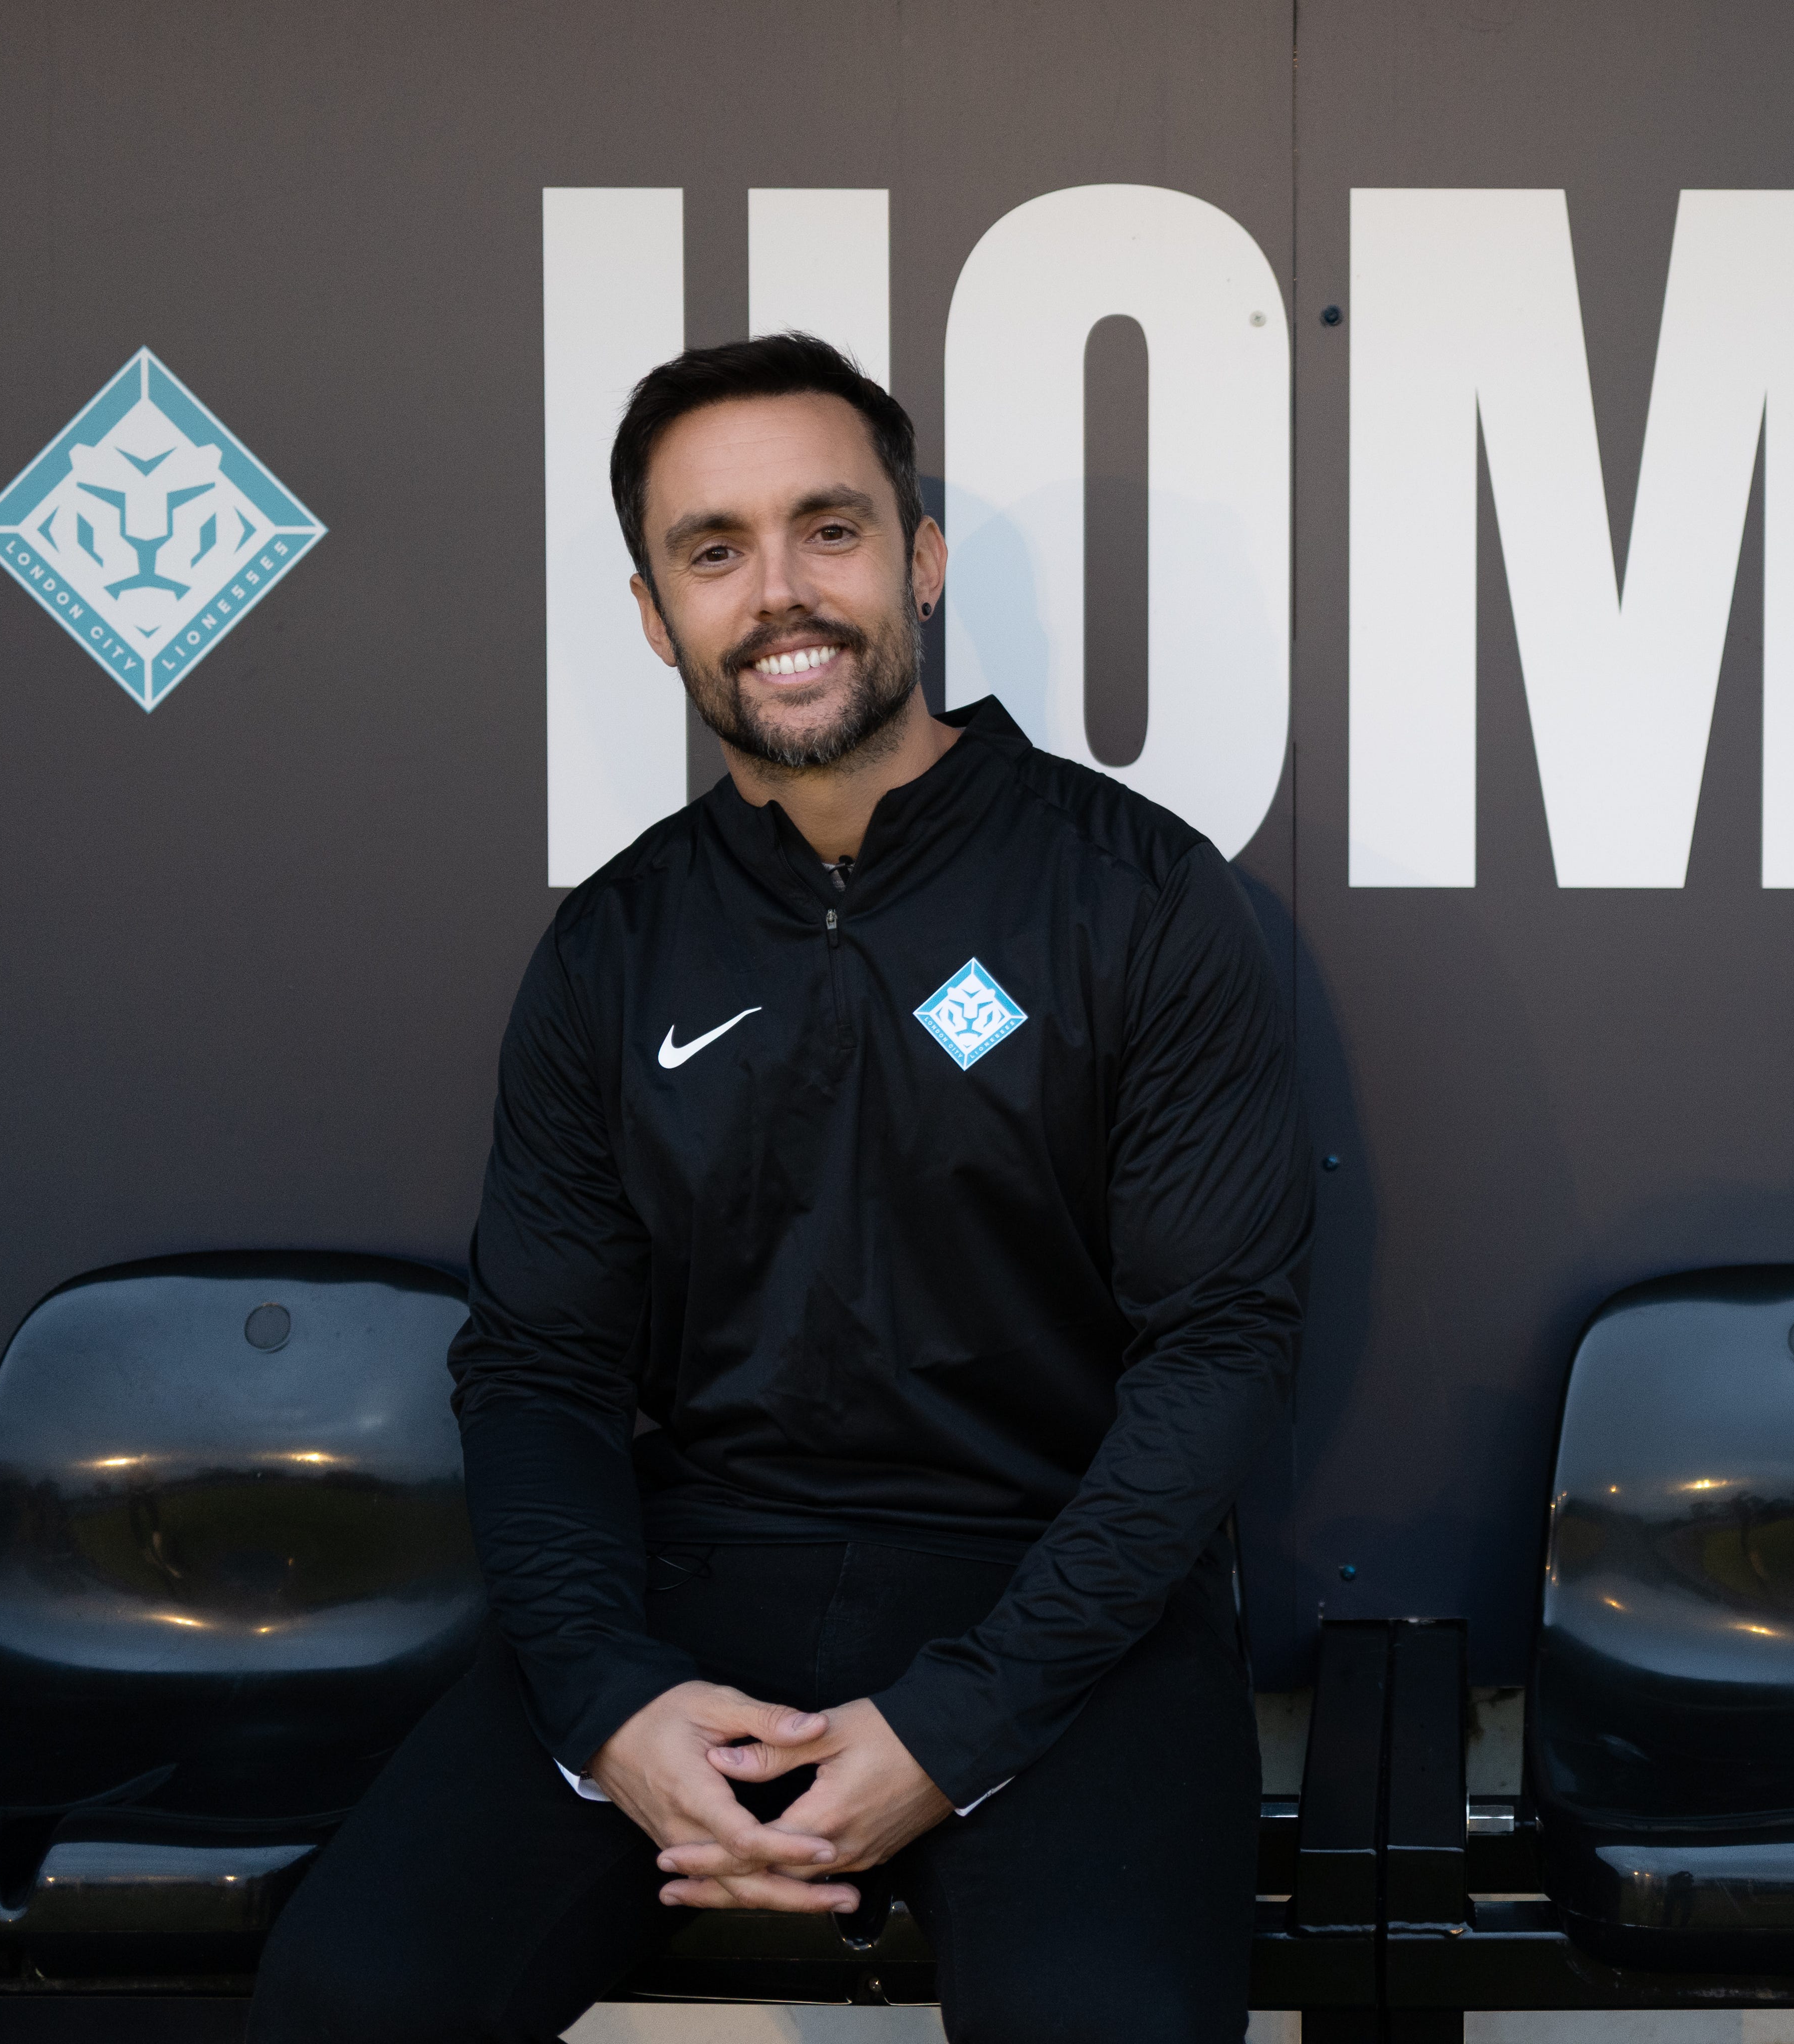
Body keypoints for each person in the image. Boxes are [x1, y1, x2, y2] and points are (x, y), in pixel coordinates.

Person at [250, 333, 1311, 2042]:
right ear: (655, 615)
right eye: (714, 550)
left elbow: (1219, 1349)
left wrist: (960, 1726)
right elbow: (537, 1370)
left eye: (829, 529)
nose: (781, 595)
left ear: (921, 559)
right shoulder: (613, 946)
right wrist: (611, 1702)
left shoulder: (1137, 897)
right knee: (349, 2001)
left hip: (1059, 1604)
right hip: (691, 1588)